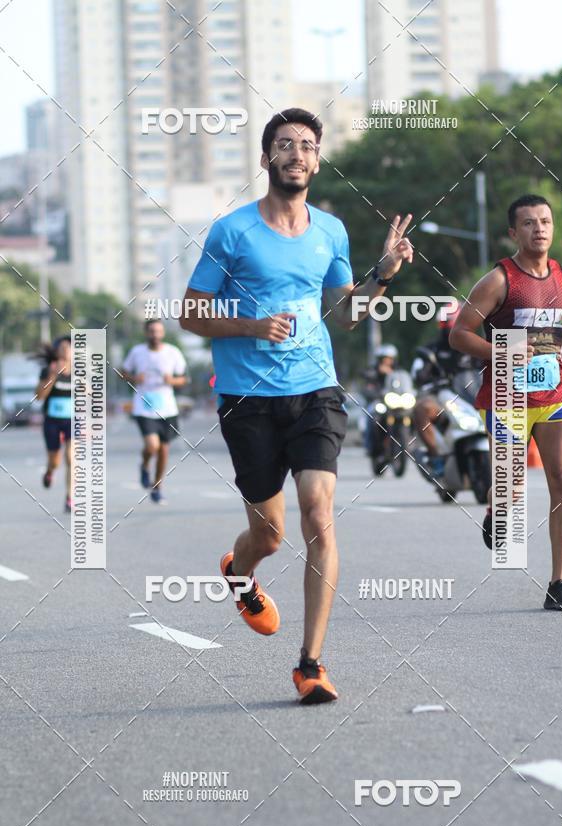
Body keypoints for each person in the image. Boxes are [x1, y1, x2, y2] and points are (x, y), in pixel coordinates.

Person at [181, 107, 413, 703]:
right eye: (284, 144)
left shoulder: (331, 231)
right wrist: (253, 324)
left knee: (318, 511)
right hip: (249, 399)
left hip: (316, 390)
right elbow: (190, 313)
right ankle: (239, 570)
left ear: (316, 160)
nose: (296, 153)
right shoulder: (232, 231)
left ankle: (310, 664)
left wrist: (382, 275)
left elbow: (348, 313)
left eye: (307, 145)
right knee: (270, 536)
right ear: (266, 160)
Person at [450, 194, 562, 611]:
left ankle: (559, 582)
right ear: (513, 232)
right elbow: (459, 334)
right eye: (530, 223)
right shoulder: (499, 280)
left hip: (555, 392)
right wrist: (503, 352)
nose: (540, 229)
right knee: (513, 493)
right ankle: (498, 509)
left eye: (546, 221)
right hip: (506, 396)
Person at [121, 319, 188, 504]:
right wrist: (134, 377)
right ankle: (144, 465)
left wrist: (172, 381)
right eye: (151, 331)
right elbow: (122, 373)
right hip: (144, 407)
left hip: (167, 408)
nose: (155, 335)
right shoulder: (137, 352)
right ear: (146, 333)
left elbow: (183, 379)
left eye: (158, 331)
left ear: (163, 333)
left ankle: (157, 487)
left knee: (164, 451)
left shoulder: (172, 352)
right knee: (152, 446)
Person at [411, 306, 480, 477]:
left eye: (457, 324)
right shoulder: (432, 350)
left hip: (473, 397)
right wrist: (425, 375)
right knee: (421, 408)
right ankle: (436, 456)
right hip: (443, 399)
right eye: (448, 325)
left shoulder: (477, 346)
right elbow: (418, 372)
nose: (453, 329)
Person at [36, 336, 73, 513]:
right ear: (57, 351)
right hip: (52, 420)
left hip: (72, 420)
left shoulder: (79, 372)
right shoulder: (48, 370)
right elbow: (40, 397)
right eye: (63, 347)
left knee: (71, 457)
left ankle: (69, 497)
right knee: (55, 461)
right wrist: (53, 375)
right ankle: (49, 472)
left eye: (70, 348)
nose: (66, 351)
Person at [362, 344, 399, 455]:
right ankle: (370, 446)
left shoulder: (398, 372)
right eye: (384, 358)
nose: (387, 361)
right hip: (378, 401)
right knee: (372, 416)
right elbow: (368, 387)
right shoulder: (373, 372)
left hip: (395, 402)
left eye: (389, 358)